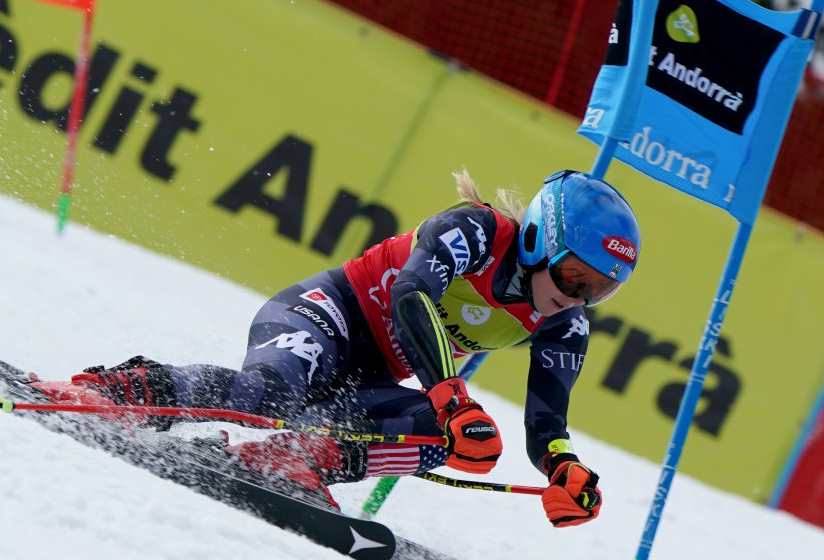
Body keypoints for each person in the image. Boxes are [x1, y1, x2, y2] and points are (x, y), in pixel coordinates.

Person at [32, 169, 641, 526]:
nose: (580, 298)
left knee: (453, 439)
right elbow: (410, 298)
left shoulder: (566, 323)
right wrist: (452, 393)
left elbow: (547, 422)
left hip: (370, 377)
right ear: (539, 241)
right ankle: (121, 389)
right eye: (576, 277)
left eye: (601, 291)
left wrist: (564, 466)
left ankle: (292, 460)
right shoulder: (477, 231)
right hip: (326, 318)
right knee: (266, 394)